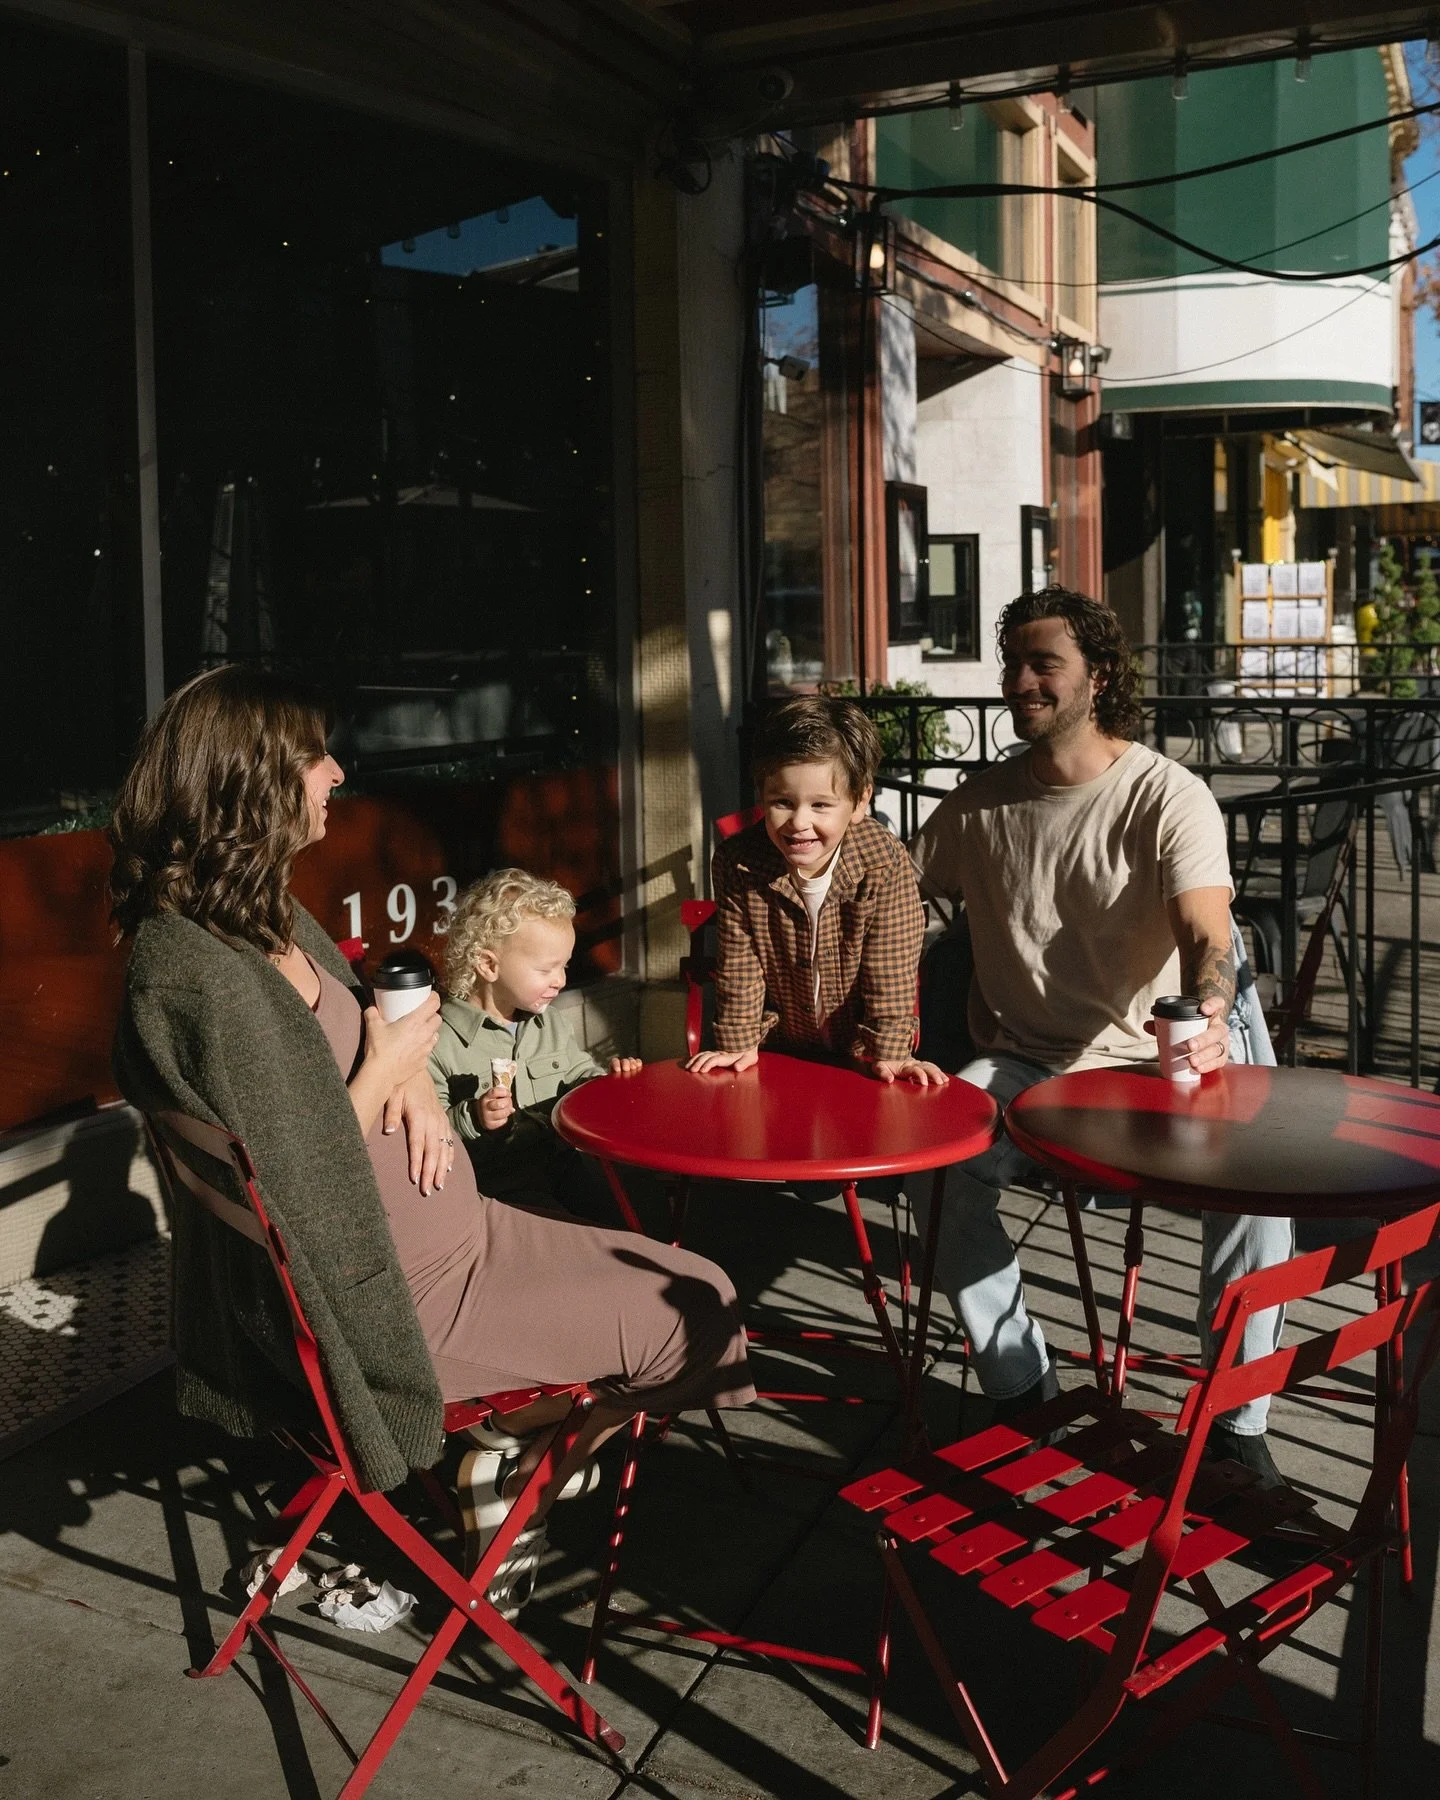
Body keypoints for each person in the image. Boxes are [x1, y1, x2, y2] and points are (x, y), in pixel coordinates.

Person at [109, 666, 754, 1608]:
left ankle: (511, 1452)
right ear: (248, 780)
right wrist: (383, 1073)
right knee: (705, 1318)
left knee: (700, 1282)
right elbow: (293, 1179)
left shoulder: (261, 913)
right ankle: (524, 1465)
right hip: (406, 1299)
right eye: (313, 758)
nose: (335, 774)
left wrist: (407, 1074)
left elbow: (371, 1021)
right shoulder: (193, 974)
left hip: (459, 1232)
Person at [910, 586, 1293, 1480]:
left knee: (1258, 1194)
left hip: (1146, 1063)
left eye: (1045, 663)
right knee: (927, 1165)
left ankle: (1238, 1427)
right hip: (1020, 1064)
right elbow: (889, 890)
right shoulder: (979, 803)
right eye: (1013, 663)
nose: (1021, 681)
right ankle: (1020, 1382)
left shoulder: (1165, 794)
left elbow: (1208, 936)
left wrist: (1205, 1013)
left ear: (1100, 677)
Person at [685, 694, 943, 1085]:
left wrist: (890, 1052)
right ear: (762, 795)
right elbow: (740, 959)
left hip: (858, 1054)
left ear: (859, 802)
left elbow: (891, 963)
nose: (799, 822)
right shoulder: (738, 861)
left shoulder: (883, 861)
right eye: (783, 802)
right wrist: (737, 1040)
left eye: (821, 805)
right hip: (780, 1049)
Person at [430, 868, 638, 1218]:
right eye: (546, 969)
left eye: (565, 966)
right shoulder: (440, 1039)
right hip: (496, 1194)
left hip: (564, 1172)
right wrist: (475, 1117)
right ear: (488, 964)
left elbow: (579, 1076)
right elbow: (432, 1135)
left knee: (630, 1214)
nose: (560, 981)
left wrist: (608, 1083)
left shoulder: (549, 1024)